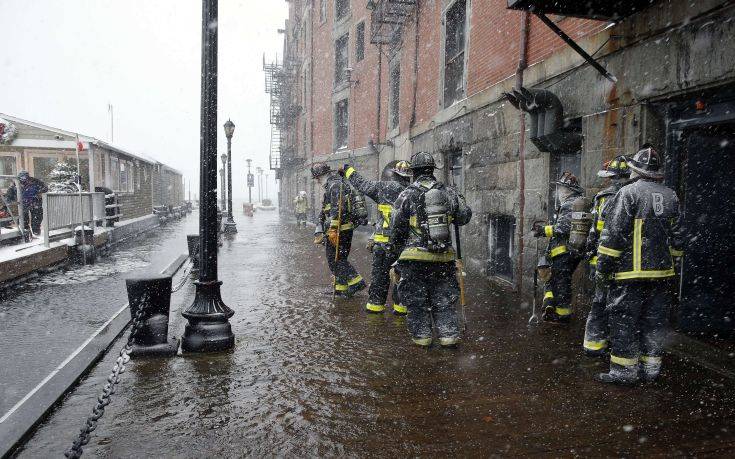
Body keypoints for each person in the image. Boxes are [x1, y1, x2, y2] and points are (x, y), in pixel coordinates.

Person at [595, 146, 684, 385]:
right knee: (654, 323)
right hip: (662, 274)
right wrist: (673, 264)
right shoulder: (671, 195)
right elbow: (678, 238)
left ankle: (624, 373)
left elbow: (613, 235)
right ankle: (651, 370)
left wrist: (603, 266)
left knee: (624, 322)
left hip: (629, 274)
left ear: (634, 170)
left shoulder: (628, 194)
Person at [390, 152, 472, 347]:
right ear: (433, 171)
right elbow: (464, 217)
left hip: (414, 260)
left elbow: (396, 229)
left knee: (417, 303)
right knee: (444, 301)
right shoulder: (448, 193)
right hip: (443, 259)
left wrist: (398, 255)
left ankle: (423, 340)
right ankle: (448, 337)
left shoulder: (406, 195)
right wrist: (459, 196)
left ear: (414, 172)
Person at [340, 160, 412, 315]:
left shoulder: (383, 188)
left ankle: (375, 309)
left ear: (394, 174)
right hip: (405, 247)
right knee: (402, 279)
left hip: (382, 246)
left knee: (379, 280)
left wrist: (347, 170)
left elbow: (361, 184)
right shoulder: (414, 192)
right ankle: (401, 311)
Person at [583, 156, 632, 357]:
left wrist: (591, 253)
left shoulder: (603, 197)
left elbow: (595, 231)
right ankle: (610, 341)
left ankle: (594, 345)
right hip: (624, 263)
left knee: (600, 302)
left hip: (602, 259)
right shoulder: (630, 196)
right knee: (620, 305)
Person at [532, 172, 585, 323]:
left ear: (569, 190)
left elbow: (563, 228)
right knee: (553, 281)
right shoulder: (573, 203)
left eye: (562, 189)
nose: (559, 192)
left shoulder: (570, 205)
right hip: (565, 252)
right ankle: (550, 306)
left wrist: (543, 230)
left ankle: (562, 316)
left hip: (564, 253)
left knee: (561, 285)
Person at [311, 162, 366, 297]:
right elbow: (325, 210)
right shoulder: (332, 185)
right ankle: (341, 287)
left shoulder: (335, 185)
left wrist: (333, 229)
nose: (317, 181)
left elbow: (338, 209)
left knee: (335, 260)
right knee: (339, 258)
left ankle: (356, 282)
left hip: (340, 230)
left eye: (317, 177)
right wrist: (319, 229)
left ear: (322, 175)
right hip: (342, 229)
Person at [4, 170, 48, 235]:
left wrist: (39, 192)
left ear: (28, 177)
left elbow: (45, 188)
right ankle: (27, 233)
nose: (23, 179)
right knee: (23, 220)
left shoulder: (35, 181)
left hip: (35, 202)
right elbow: (9, 194)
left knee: (36, 219)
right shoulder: (15, 183)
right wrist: (9, 201)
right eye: (21, 178)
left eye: (25, 177)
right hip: (22, 204)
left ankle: (36, 232)